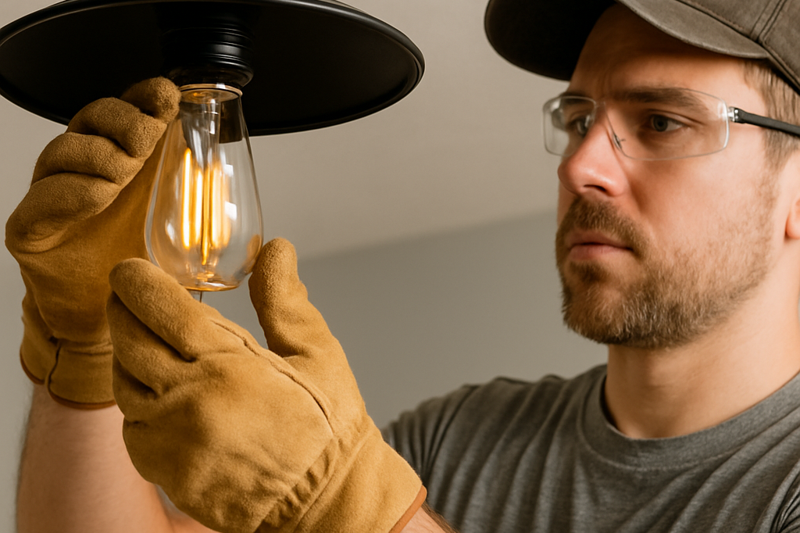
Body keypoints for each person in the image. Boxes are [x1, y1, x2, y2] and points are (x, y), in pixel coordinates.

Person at [11, 0, 800, 532]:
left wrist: (355, 506)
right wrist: (83, 356)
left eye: (660, 120)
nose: (581, 163)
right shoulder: (459, 443)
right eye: (578, 116)